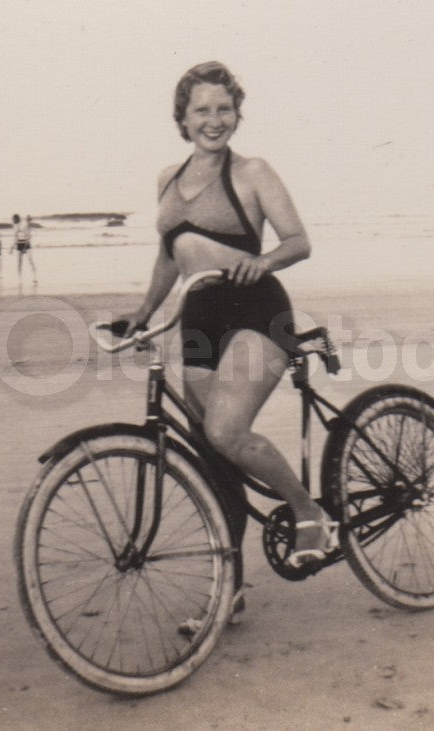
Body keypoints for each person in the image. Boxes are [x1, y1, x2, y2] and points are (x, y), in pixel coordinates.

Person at [120, 62, 338, 606]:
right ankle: (230, 588)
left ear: (237, 114)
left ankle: (311, 514)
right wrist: (142, 314)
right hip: (198, 316)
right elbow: (170, 257)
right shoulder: (166, 180)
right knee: (215, 460)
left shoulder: (253, 172)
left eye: (224, 109)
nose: (213, 120)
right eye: (201, 110)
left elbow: (298, 241)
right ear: (182, 118)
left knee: (225, 431)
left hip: (254, 308)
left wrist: (261, 263)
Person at [10, 213, 37, 282]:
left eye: (13, 219)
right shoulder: (15, 226)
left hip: (26, 244)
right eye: (12, 220)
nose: (13, 221)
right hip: (19, 244)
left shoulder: (24, 225)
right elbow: (15, 238)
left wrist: (25, 248)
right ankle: (20, 279)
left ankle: (35, 277)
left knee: (30, 260)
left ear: (17, 219)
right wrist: (12, 247)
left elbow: (29, 237)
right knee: (19, 262)